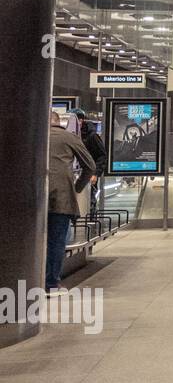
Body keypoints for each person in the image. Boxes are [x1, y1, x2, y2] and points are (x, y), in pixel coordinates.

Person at [47, 111, 95, 295]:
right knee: (57, 239)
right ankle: (51, 284)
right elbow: (89, 165)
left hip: (32, 196)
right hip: (61, 196)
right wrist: (76, 187)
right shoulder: (69, 137)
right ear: (60, 123)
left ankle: (27, 279)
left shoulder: (34, 136)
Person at [72, 109, 107, 211]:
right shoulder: (74, 135)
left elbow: (102, 155)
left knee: (89, 200)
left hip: (88, 174)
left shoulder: (91, 136)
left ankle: (90, 219)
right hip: (75, 173)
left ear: (81, 121)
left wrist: (96, 173)